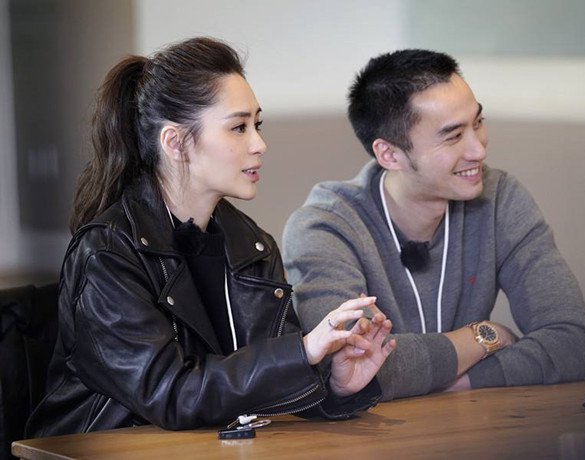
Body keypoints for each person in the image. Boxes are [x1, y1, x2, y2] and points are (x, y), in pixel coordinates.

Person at [25, 37, 396, 437]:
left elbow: (258, 385)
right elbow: (172, 395)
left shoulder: (253, 245)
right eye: (238, 127)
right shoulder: (108, 252)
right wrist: (302, 351)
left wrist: (336, 386)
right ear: (175, 142)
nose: (259, 144)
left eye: (257, 125)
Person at [282, 49, 585, 401]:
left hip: (468, 424)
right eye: (453, 136)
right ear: (390, 154)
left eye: (477, 122)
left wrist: (456, 382)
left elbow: (572, 342)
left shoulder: (500, 199)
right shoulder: (325, 226)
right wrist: (484, 336)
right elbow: (352, 365)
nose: (478, 150)